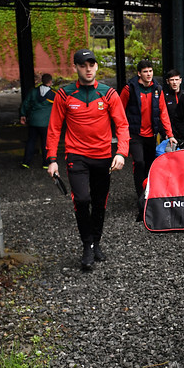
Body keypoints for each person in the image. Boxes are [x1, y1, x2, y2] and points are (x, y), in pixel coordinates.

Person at [46, 49, 130, 271]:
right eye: (83, 65)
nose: (89, 68)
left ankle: (96, 243)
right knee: (82, 200)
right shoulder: (64, 95)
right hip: (76, 155)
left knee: (100, 202)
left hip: (103, 156)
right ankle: (87, 245)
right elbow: (54, 128)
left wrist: (121, 152)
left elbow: (122, 125)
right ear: (76, 67)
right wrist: (52, 159)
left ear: (97, 67)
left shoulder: (108, 93)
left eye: (92, 64)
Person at [120, 59, 176, 201]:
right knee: (139, 162)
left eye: (150, 71)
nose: (149, 74)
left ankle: (148, 192)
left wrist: (170, 134)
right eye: (145, 71)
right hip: (135, 133)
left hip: (151, 134)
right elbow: (119, 110)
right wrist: (121, 133)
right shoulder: (129, 89)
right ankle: (140, 195)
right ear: (139, 73)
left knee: (150, 165)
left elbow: (163, 112)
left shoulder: (157, 89)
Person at [19, 73, 55, 168]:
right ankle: (46, 163)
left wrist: (23, 114)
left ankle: (26, 162)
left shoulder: (33, 92)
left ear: (42, 81)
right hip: (45, 123)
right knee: (45, 143)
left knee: (31, 141)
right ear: (50, 81)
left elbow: (26, 103)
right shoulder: (53, 94)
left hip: (33, 122)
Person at [162, 68, 184, 145]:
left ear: (180, 80)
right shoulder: (163, 97)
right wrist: (164, 133)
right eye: (172, 80)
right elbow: (160, 116)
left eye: (176, 79)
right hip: (169, 135)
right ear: (167, 81)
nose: (174, 82)